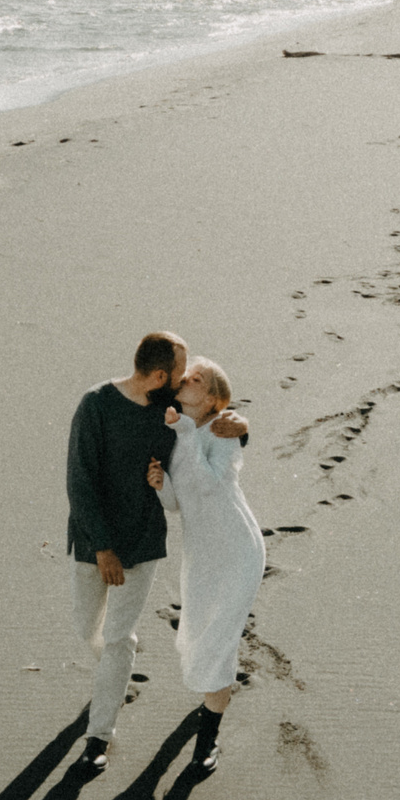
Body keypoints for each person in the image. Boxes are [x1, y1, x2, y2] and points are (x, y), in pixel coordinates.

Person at [65, 332, 246, 775]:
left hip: (142, 545)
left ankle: (98, 736)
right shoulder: (96, 405)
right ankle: (114, 669)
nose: (185, 380)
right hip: (94, 544)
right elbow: (79, 482)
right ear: (161, 375)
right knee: (86, 627)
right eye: (180, 374)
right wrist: (103, 549)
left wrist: (243, 428)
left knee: (117, 638)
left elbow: (211, 431)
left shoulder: (169, 414)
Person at [149, 358, 265, 774]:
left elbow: (213, 485)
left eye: (196, 378)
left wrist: (185, 432)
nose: (186, 379)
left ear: (214, 399)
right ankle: (214, 697)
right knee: (199, 633)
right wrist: (162, 487)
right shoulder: (178, 433)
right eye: (186, 374)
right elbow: (183, 502)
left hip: (237, 552)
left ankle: (207, 743)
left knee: (218, 645)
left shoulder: (222, 431)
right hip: (202, 557)